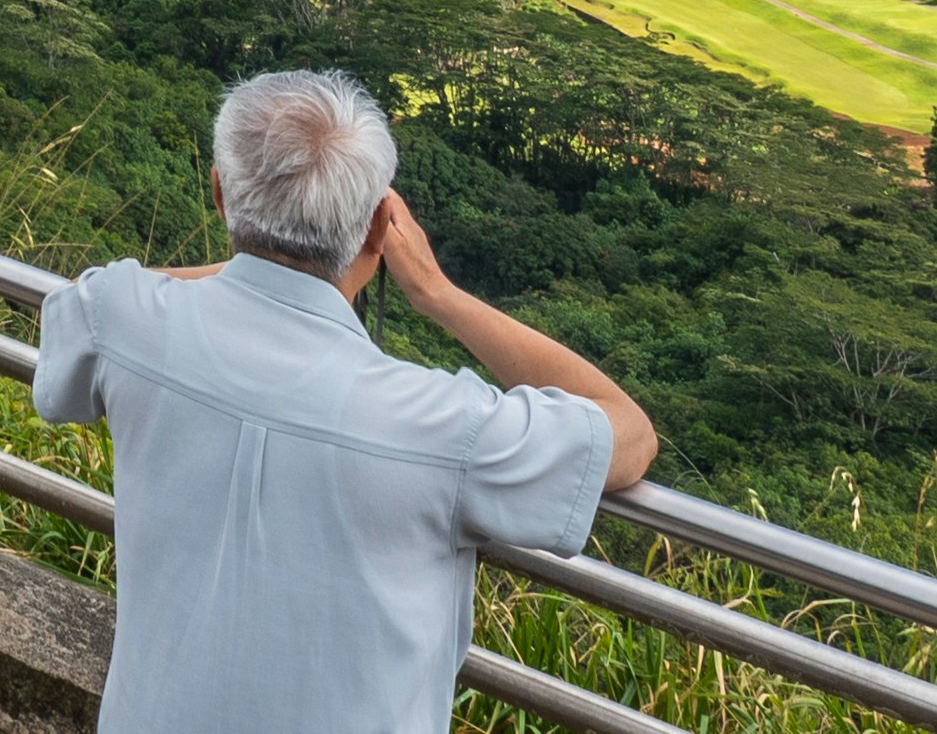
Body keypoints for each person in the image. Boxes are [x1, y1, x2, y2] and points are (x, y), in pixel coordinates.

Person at [35, 70, 657, 734]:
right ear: (381, 228)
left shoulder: (128, 321)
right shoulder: (443, 424)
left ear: (219, 193)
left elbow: (82, 303)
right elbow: (630, 437)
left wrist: (261, 251)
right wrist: (439, 293)